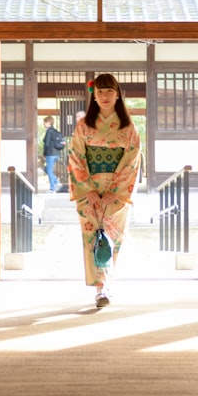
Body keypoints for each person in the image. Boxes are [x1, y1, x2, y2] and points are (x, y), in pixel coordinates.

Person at [67, 74, 141, 308]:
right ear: (94, 96)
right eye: (99, 92)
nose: (104, 96)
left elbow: (132, 161)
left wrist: (116, 191)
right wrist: (86, 188)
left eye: (109, 91)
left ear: (117, 94)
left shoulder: (128, 128)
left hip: (116, 192)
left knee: (112, 238)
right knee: (91, 237)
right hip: (88, 190)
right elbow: (76, 157)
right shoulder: (84, 126)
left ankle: (105, 285)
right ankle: (100, 288)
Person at [42, 116, 65, 192]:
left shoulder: (49, 131)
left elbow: (47, 144)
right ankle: (56, 183)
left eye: (44, 122)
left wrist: (44, 154)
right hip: (57, 153)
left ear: (48, 122)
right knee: (47, 169)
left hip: (50, 154)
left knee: (49, 170)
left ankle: (52, 188)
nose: (43, 124)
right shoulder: (55, 131)